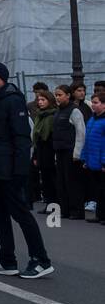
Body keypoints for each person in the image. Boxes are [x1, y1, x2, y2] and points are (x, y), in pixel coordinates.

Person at [0, 62, 53, 279]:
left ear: (3, 79)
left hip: (8, 170)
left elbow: (22, 139)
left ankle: (41, 259)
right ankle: (7, 260)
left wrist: (20, 172)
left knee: (21, 214)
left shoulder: (12, 101)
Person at [52, 84, 88, 219]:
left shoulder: (74, 111)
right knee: (61, 182)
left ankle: (76, 211)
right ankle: (65, 209)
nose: (57, 97)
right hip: (60, 150)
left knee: (72, 182)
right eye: (56, 95)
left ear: (68, 96)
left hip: (70, 151)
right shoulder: (58, 111)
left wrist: (77, 152)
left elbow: (81, 132)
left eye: (60, 95)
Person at [30, 89, 58, 215]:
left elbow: (52, 135)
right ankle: (48, 203)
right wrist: (35, 155)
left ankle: (55, 205)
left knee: (53, 179)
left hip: (50, 150)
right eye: (39, 100)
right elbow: (36, 136)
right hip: (41, 149)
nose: (40, 102)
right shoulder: (39, 115)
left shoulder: (53, 116)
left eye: (43, 100)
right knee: (45, 179)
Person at [84, 94, 105, 222]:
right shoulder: (92, 119)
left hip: (101, 161)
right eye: (92, 102)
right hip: (93, 160)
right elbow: (88, 141)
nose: (93, 105)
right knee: (98, 190)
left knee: (103, 190)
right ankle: (100, 215)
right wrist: (85, 159)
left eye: (96, 102)